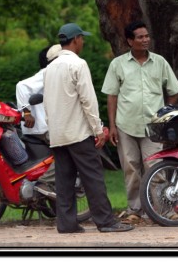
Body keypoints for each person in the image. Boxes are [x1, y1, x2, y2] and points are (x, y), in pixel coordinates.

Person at [43, 22, 133, 233]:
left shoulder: (49, 68)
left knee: (64, 182)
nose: (82, 41)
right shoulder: (78, 65)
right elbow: (88, 101)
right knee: (92, 178)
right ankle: (106, 221)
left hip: (58, 134)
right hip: (78, 133)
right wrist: (98, 129)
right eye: (81, 38)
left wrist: (52, 130)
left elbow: (47, 104)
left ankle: (66, 224)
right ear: (75, 40)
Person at [101, 20, 178, 222]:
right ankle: (135, 210)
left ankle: (164, 210)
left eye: (147, 36)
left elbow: (174, 91)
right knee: (131, 169)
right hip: (125, 125)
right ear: (130, 41)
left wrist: (166, 113)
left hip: (154, 127)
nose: (145, 40)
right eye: (140, 37)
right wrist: (112, 126)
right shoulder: (117, 64)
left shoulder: (160, 62)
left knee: (157, 168)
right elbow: (112, 96)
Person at [16, 44, 62, 196]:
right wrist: (27, 112)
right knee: (68, 150)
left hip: (42, 128)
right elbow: (21, 86)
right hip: (43, 129)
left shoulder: (53, 74)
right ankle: (46, 182)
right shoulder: (49, 72)